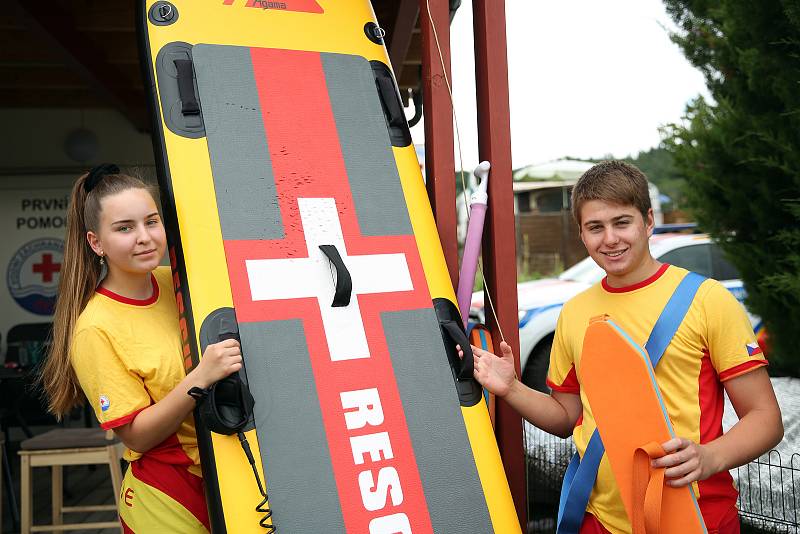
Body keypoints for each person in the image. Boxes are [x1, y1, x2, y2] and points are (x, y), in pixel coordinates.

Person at [467, 161, 783, 534]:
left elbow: (766, 418)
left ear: (648, 221)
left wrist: (710, 457)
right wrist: (511, 388)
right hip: (597, 519)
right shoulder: (573, 313)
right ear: (581, 234)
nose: (610, 239)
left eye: (622, 222)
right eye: (595, 227)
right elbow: (566, 418)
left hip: (695, 516)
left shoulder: (708, 300)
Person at [40, 165, 243, 533]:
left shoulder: (180, 283)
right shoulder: (94, 329)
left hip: (232, 477)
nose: (144, 237)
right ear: (95, 242)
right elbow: (137, 436)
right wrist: (202, 377)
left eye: (151, 222)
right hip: (167, 499)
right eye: (124, 228)